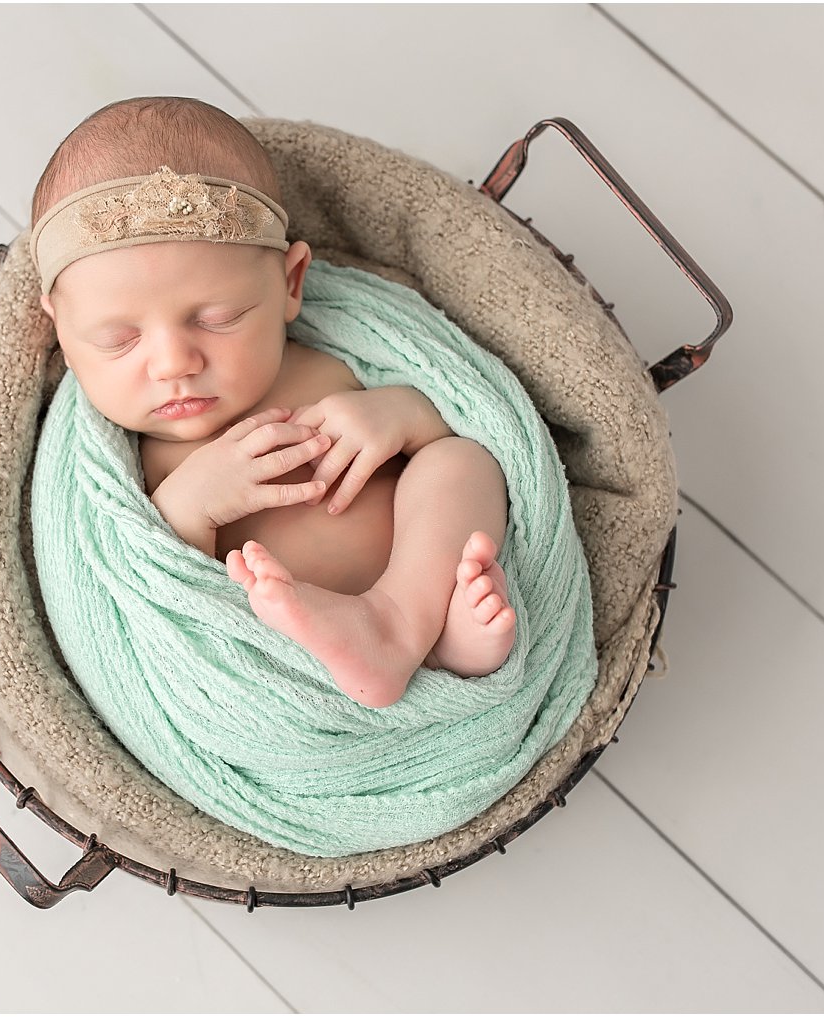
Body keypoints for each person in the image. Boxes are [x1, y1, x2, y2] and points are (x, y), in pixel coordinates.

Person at [32, 96, 515, 708]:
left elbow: (471, 413)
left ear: (291, 284)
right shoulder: (135, 470)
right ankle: (407, 644)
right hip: (280, 672)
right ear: (61, 329)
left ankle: (421, 629)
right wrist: (188, 509)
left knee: (462, 463)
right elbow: (144, 596)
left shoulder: (334, 363)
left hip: (417, 594)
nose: (173, 363)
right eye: (118, 340)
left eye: (219, 318)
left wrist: (402, 415)